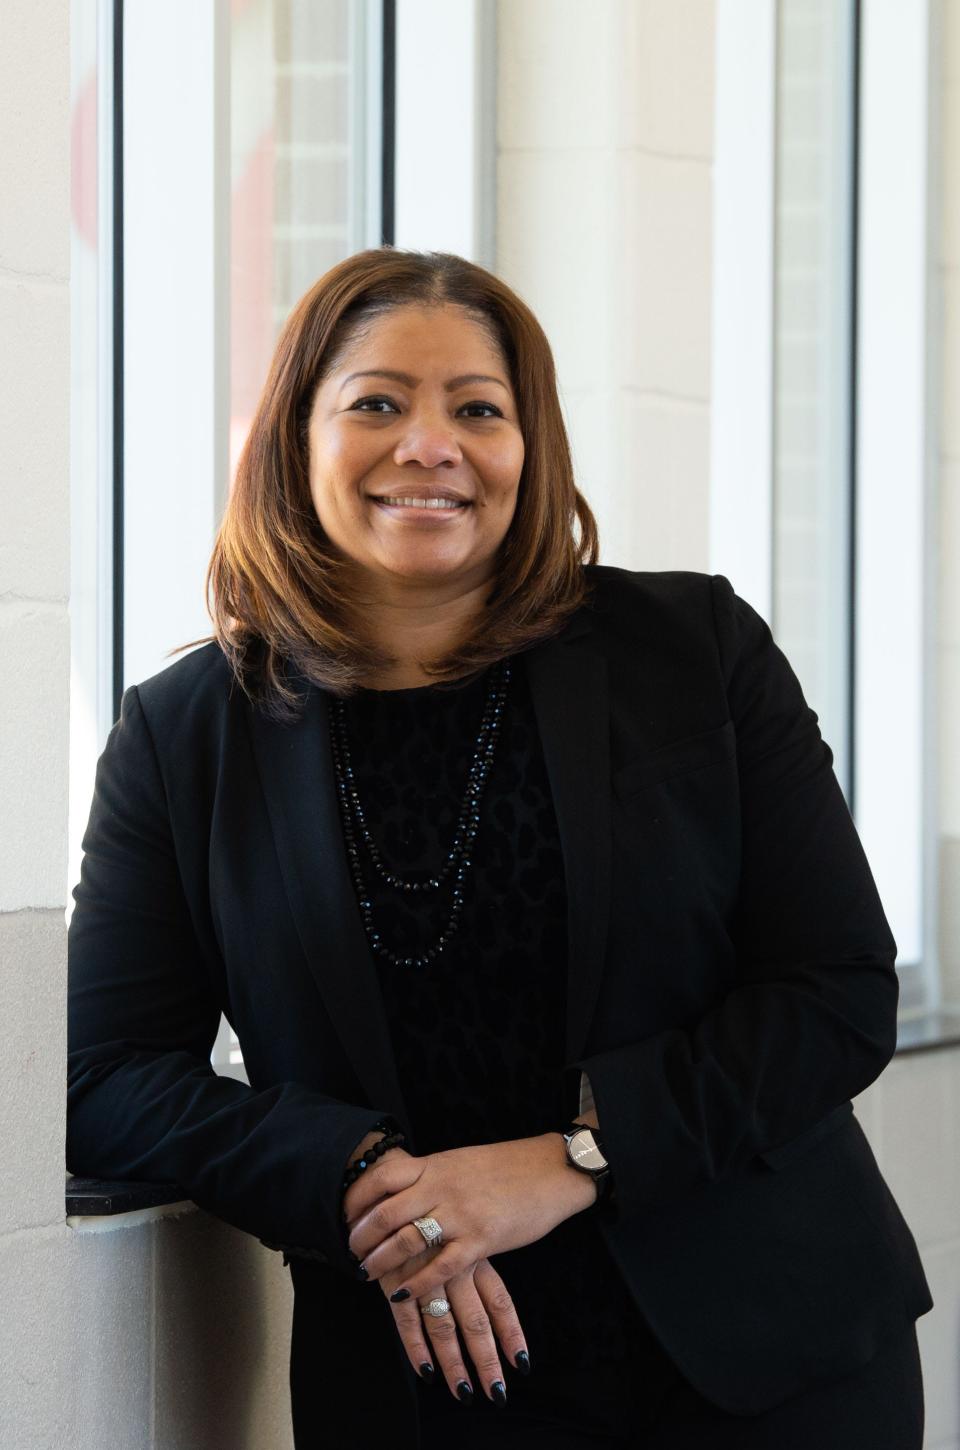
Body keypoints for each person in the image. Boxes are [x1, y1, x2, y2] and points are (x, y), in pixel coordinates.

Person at [67, 247, 933, 1449]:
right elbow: (104, 1075)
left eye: (479, 408)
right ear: (293, 439)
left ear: (531, 450)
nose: (432, 444)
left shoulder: (695, 652)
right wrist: (363, 1174)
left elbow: (836, 990)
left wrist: (575, 1158)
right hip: (425, 1383)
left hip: (764, 1365)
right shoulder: (184, 734)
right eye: (376, 402)